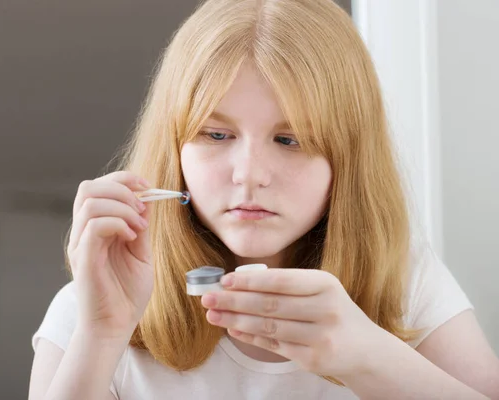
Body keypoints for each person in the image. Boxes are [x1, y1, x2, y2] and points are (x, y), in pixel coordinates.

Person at [28, 0, 499, 399]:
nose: (249, 173)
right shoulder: (89, 308)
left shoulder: (406, 283)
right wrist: (100, 336)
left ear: (348, 160)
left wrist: (370, 357)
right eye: (215, 133)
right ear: (174, 147)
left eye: (290, 140)